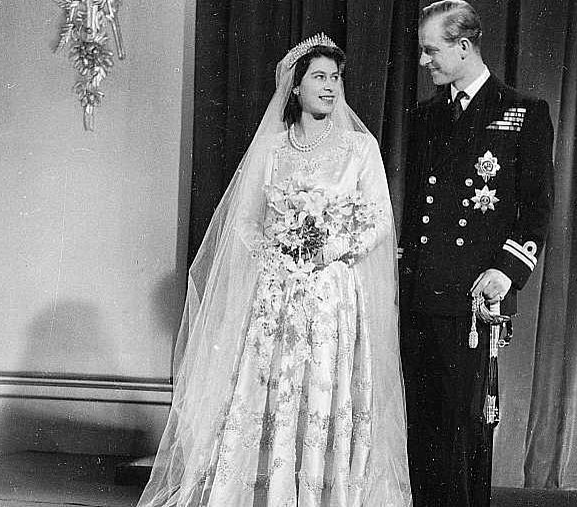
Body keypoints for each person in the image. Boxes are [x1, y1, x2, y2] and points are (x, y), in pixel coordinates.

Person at [138, 34, 412, 507]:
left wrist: (330, 249)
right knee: (272, 392)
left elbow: (380, 220)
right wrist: (276, 253)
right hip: (276, 295)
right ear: (296, 87)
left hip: (332, 293)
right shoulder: (272, 150)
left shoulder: (359, 149)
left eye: (336, 78)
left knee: (324, 391)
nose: (330, 87)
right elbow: (244, 221)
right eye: (320, 77)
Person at [398, 1, 554, 506]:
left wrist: (507, 271)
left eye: (431, 50)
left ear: (464, 47)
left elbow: (535, 209)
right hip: (421, 295)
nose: (424, 62)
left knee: (463, 432)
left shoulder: (522, 112)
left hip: (472, 300)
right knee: (420, 429)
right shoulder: (424, 117)